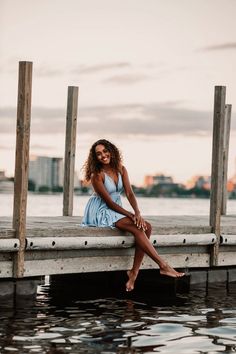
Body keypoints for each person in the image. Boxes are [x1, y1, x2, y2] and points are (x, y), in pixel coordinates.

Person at [82, 139, 185, 291]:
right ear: (95, 157)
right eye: (98, 154)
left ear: (111, 151)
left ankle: (133, 272)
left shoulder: (121, 169)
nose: (103, 155)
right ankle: (163, 265)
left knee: (146, 227)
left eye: (105, 151)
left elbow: (129, 193)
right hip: (100, 210)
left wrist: (137, 213)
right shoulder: (97, 174)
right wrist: (130, 215)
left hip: (116, 208)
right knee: (137, 229)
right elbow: (109, 203)